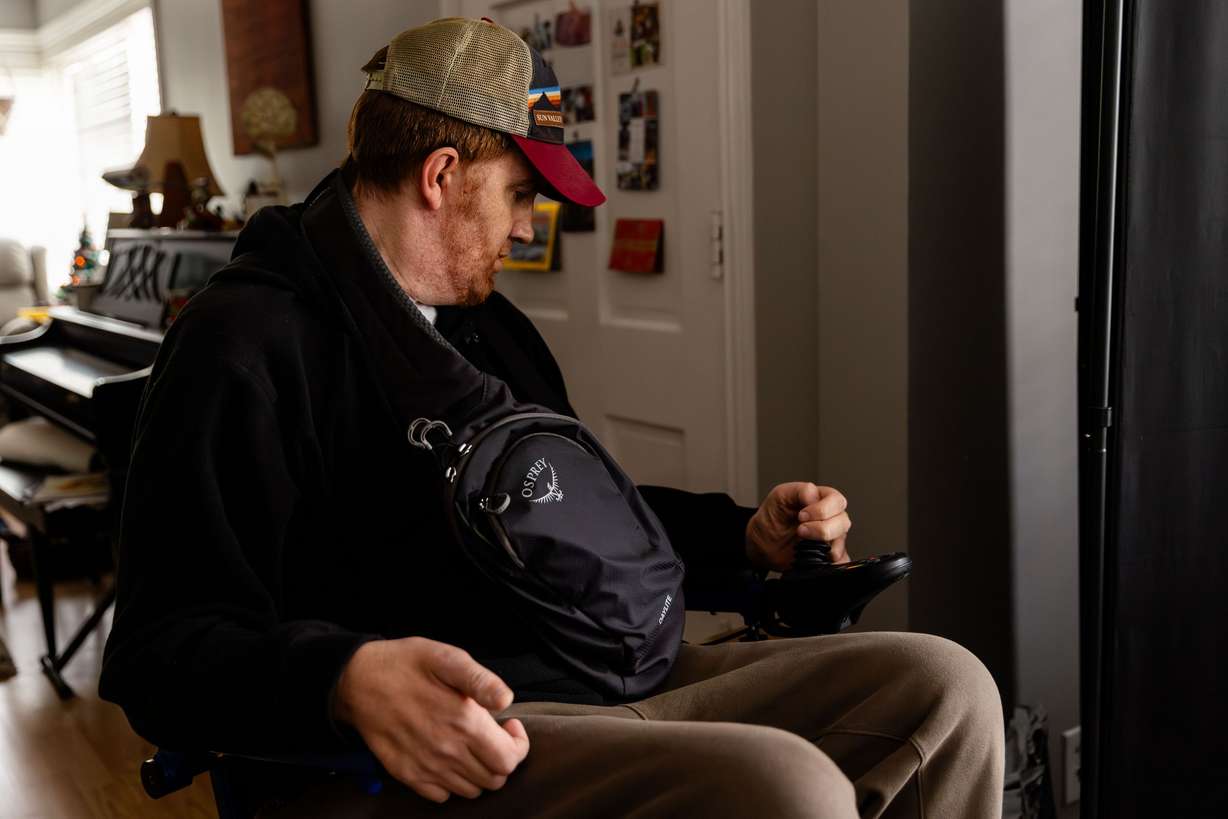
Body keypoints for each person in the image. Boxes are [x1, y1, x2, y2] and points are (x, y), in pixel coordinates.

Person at [100, 17, 1003, 819]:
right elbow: (158, 648)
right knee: (786, 787)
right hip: (427, 744)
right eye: (521, 195)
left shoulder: (491, 330)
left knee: (945, 687)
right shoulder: (242, 343)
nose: (528, 231)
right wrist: (343, 678)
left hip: (592, 675)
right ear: (442, 175)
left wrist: (746, 539)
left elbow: (563, 519)